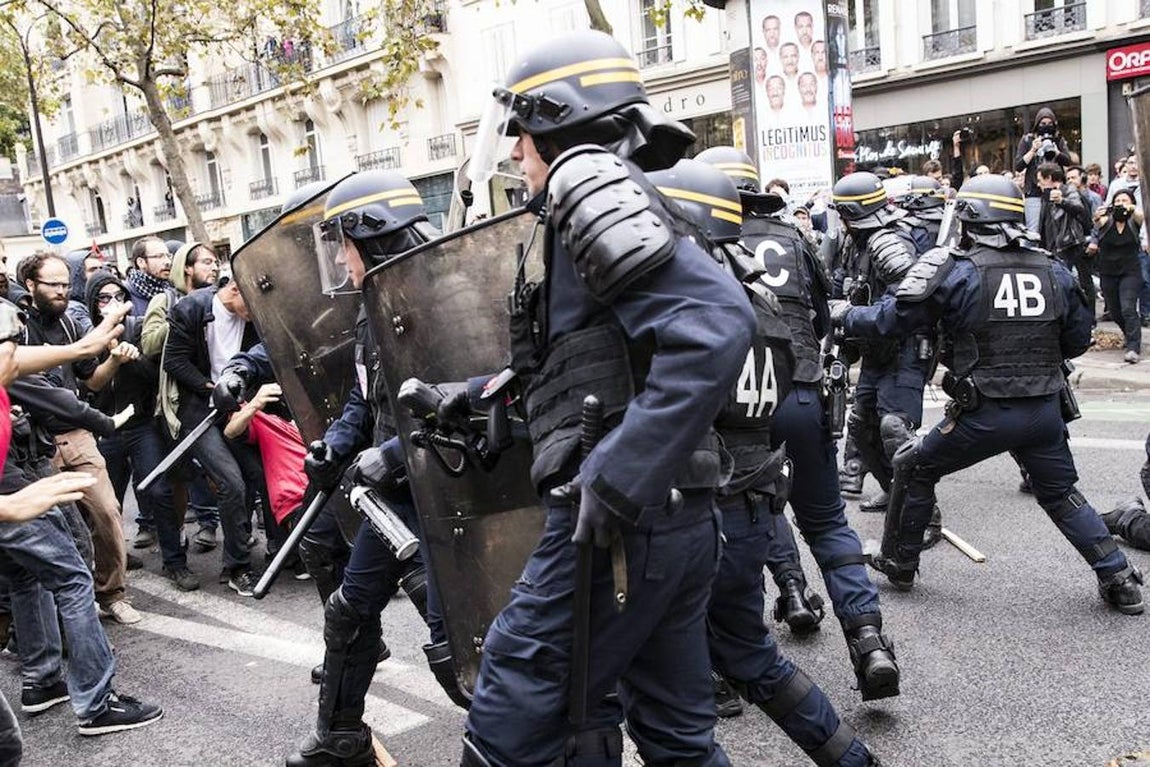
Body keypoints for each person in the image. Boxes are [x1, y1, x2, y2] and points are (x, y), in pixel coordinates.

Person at [459, 29, 754, 767]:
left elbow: (717, 326)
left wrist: (621, 472)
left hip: (624, 527)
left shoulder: (585, 180)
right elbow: (600, 358)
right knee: (679, 739)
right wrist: (472, 397)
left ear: (558, 120)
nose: (518, 152)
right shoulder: (614, 199)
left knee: (512, 697)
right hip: (678, 518)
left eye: (523, 132)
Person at [831, 174, 1144, 616]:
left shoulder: (957, 269)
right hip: (1044, 410)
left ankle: (900, 562)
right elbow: (1077, 339)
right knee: (1061, 493)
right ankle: (1119, 578)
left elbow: (895, 318)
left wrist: (846, 315)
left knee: (912, 465)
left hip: (983, 410)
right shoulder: (1053, 267)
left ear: (971, 220)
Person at [699, 147, 900, 702]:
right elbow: (817, 310)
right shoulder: (793, 237)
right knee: (828, 519)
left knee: (728, 516)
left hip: (735, 403)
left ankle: (727, 661)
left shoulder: (695, 239)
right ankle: (869, 640)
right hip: (803, 386)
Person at [281, 170, 450, 767]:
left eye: (345, 244)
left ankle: (522, 746)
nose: (340, 259)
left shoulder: (446, 298)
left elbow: (468, 404)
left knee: (461, 641)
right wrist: (338, 444)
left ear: (373, 238)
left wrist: (397, 454)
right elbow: (365, 399)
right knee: (349, 612)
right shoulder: (371, 307)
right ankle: (340, 738)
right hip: (388, 497)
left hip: (444, 490)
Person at [0, 298, 165, 738]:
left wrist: (97, 336)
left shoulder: (6, 365)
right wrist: (6, 506)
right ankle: (96, 704)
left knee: (24, 577)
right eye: (8, 342)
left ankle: (41, 682)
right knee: (74, 580)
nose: (15, 352)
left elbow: (64, 355)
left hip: (13, 485)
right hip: (9, 493)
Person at [19, 253, 141, 624]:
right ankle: (66, 608)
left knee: (107, 511)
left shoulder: (72, 325)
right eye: (52, 285)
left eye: (64, 284)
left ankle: (112, 593)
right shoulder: (18, 329)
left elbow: (91, 381)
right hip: (37, 446)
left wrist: (116, 360)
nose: (61, 291)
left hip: (78, 433)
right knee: (60, 531)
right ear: (30, 286)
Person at [831, 172, 941, 548]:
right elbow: (850, 293)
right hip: (877, 350)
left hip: (905, 349)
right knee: (861, 428)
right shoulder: (856, 242)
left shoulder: (887, 242)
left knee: (895, 430)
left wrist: (849, 316)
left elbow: (907, 308)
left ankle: (924, 514)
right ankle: (896, 493)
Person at [84, 270, 198, 591]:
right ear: (93, 303)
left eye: (118, 297)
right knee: (107, 503)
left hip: (141, 424)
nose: (112, 304)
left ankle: (175, 561)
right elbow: (90, 386)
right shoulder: (87, 337)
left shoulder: (136, 328)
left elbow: (156, 377)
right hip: (106, 427)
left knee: (159, 489)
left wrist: (128, 355)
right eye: (104, 298)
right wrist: (110, 354)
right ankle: (114, 558)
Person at [163, 275, 262, 596]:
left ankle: (237, 551)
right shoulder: (191, 308)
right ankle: (238, 567)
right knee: (231, 481)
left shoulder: (251, 319)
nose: (256, 311)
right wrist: (214, 388)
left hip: (237, 407)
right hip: (200, 411)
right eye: (251, 303)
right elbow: (174, 361)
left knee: (252, 476)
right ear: (234, 288)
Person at [140, 240, 222, 553]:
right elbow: (149, 344)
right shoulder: (165, 299)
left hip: (212, 395)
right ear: (186, 267)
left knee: (218, 472)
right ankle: (175, 537)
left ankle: (211, 525)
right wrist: (183, 314)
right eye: (205, 262)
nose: (213, 268)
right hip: (177, 400)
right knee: (179, 474)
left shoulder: (217, 298)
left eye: (215, 262)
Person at [1093, 190, 1144, 363]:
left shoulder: (1133, 221)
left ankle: (1133, 347)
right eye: (1118, 200)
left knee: (1128, 308)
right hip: (1108, 271)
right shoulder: (1107, 220)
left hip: (1130, 271)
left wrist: (1130, 207)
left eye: (1125, 200)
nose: (1121, 203)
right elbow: (1098, 223)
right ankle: (1129, 334)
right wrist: (1099, 215)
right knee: (1114, 311)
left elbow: (1141, 217)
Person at [1014, 106, 1072, 232]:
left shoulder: (1058, 140)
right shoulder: (1027, 140)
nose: (1046, 126)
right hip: (1034, 191)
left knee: (1055, 228)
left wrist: (1056, 152)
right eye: (1043, 123)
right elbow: (1018, 166)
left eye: (1050, 123)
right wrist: (1033, 150)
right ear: (1037, 124)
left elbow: (1068, 161)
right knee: (1034, 230)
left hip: (1054, 189)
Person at [1036, 163, 1090, 267]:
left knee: (1080, 279)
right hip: (1052, 247)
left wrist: (1061, 201)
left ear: (1049, 178)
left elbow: (1078, 208)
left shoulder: (1068, 190)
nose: (1038, 184)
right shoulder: (1045, 196)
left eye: (1040, 180)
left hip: (1068, 245)